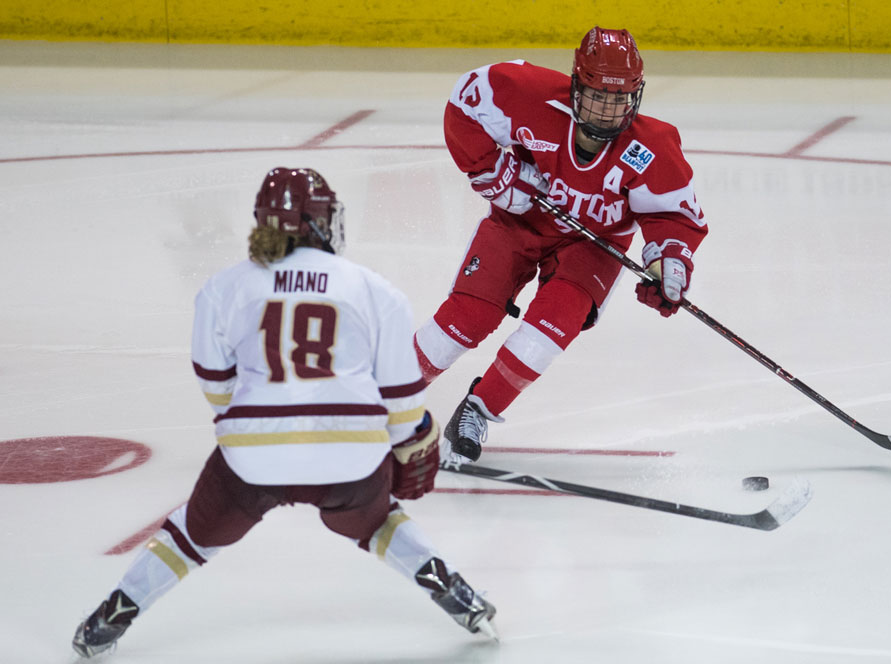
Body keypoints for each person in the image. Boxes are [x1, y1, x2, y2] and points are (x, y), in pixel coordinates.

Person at [72, 167, 497, 659]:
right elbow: (401, 399)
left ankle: (113, 615)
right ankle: (452, 589)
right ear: (319, 223)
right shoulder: (375, 290)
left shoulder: (223, 287)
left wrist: (264, 422)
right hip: (349, 457)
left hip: (253, 458)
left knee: (193, 531)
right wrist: (414, 442)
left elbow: (217, 386)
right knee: (377, 521)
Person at [413, 27, 709, 464]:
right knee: (466, 318)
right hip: (517, 225)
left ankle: (477, 410)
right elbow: (465, 103)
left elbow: (673, 216)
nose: (608, 110)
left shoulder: (651, 147)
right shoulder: (528, 96)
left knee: (547, 332)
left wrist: (668, 264)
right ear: (576, 83)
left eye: (619, 98)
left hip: (593, 247)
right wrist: (494, 172)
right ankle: (378, 401)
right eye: (597, 95)